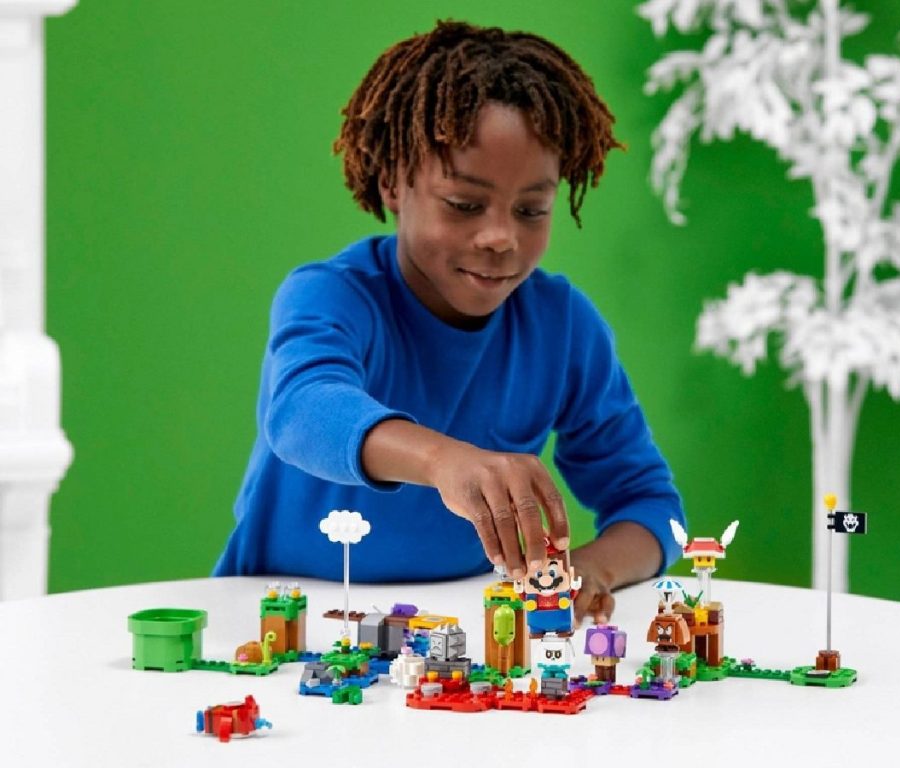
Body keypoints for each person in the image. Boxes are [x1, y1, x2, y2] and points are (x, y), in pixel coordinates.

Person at [214, 19, 685, 625]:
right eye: (464, 204)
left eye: (532, 210)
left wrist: (589, 569)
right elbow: (302, 410)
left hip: (456, 632)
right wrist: (444, 462)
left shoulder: (563, 329)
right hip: (281, 618)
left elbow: (651, 506)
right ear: (393, 183)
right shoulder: (332, 295)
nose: (500, 237)